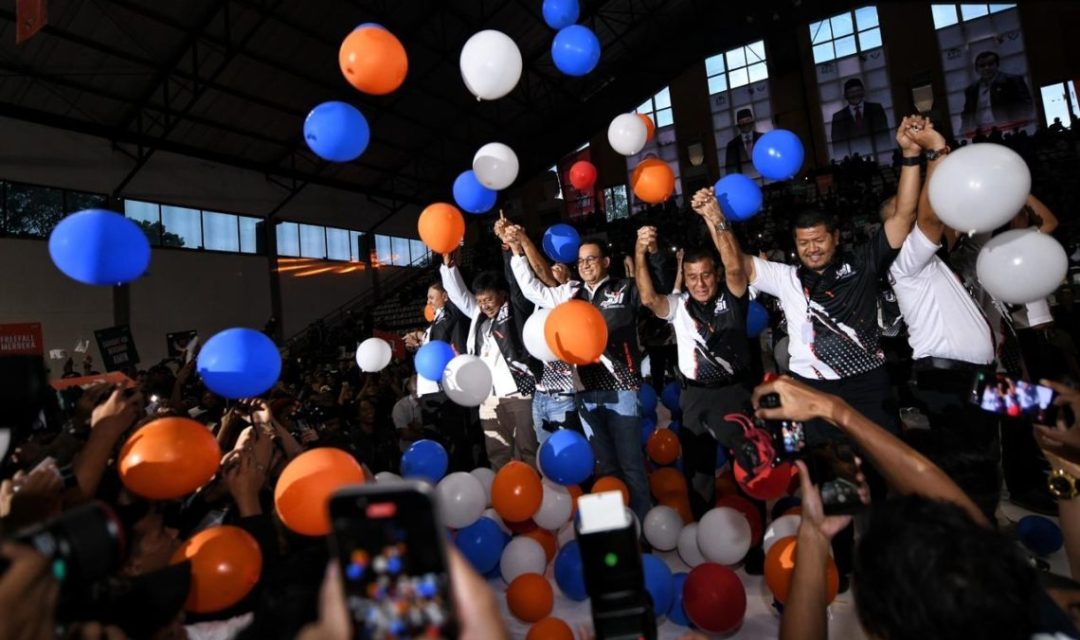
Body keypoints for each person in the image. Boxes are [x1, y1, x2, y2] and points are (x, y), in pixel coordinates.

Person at [760, 376, 1079, 640]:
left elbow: (970, 522)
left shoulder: (1033, 611)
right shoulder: (1044, 612)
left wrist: (814, 537)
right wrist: (1067, 462)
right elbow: (970, 522)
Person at [506, 230, 671, 521]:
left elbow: (658, 287)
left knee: (631, 465)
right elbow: (533, 289)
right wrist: (517, 254)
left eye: (591, 259)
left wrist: (653, 251)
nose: (584, 265)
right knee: (603, 467)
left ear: (606, 261)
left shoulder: (625, 288)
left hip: (622, 391)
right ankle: (615, 532)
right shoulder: (570, 294)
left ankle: (644, 530)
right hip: (585, 395)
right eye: (581, 261)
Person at [880, 118, 999, 517]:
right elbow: (928, 219)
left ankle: (986, 538)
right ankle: (972, 554)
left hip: (974, 376)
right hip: (947, 379)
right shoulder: (904, 262)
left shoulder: (935, 264)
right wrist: (936, 151)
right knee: (965, 475)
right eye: (903, 212)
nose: (912, 214)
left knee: (984, 464)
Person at [633, 209, 754, 518]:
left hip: (733, 393)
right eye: (691, 277)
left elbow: (736, 267)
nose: (700, 283)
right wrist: (639, 252)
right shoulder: (678, 306)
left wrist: (716, 220)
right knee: (698, 474)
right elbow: (648, 298)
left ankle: (753, 535)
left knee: (747, 468)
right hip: (695, 397)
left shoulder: (734, 295)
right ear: (683, 279)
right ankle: (705, 529)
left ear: (716, 274)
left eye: (706, 275)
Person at [440, 253, 539, 470]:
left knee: (528, 450)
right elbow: (459, 296)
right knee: (497, 453)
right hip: (489, 398)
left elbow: (517, 285)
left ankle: (535, 497)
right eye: (480, 301)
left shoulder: (513, 312)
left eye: (489, 300)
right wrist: (448, 268)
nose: (484, 305)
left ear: (503, 296)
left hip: (518, 395)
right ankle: (505, 499)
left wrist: (508, 252)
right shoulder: (479, 318)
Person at [496, 221, 583, 448]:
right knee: (546, 456)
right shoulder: (540, 303)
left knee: (569, 455)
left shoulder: (572, 294)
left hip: (565, 394)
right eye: (551, 265)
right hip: (540, 394)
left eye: (560, 267)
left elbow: (543, 276)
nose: (554, 268)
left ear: (570, 274)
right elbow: (527, 286)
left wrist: (523, 240)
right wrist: (515, 249)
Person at [961, 50, 1034, 135]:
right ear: (977, 69)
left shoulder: (1013, 80)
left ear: (997, 65)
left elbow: (1026, 104)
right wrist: (964, 130)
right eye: (982, 66)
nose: (986, 68)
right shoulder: (971, 89)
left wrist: (1018, 126)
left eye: (990, 64)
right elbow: (967, 113)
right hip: (982, 132)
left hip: (1008, 129)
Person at [829, 78, 889, 158]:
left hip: (878, 157)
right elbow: (837, 146)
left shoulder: (876, 109)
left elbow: (885, 136)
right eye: (851, 92)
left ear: (863, 92)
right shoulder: (837, 117)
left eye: (858, 91)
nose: (855, 94)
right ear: (845, 95)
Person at [724, 108, 763, 175]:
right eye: (742, 122)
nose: (745, 124)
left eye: (747, 120)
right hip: (743, 182)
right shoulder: (732, 145)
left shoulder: (762, 138)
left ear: (752, 121)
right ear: (738, 125)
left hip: (766, 179)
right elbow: (730, 170)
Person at [391, 376, 423, 453]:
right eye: (415, 382)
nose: (418, 385)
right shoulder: (400, 406)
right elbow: (405, 434)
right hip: (410, 451)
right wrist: (427, 436)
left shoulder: (431, 401)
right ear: (408, 387)